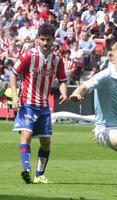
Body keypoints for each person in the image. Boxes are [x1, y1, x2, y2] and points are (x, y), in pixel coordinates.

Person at [69, 42, 117, 181]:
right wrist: (77, 94)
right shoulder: (104, 76)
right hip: (106, 129)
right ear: (112, 59)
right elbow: (83, 87)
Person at [10, 23, 68, 184]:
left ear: (53, 40)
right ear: (37, 39)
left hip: (43, 106)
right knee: (26, 135)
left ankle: (39, 174)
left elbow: (63, 80)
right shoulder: (29, 55)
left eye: (47, 40)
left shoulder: (57, 60)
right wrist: (15, 97)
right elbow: (13, 75)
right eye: (41, 39)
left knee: (46, 142)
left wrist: (64, 92)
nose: (44, 43)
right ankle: (26, 169)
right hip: (27, 103)